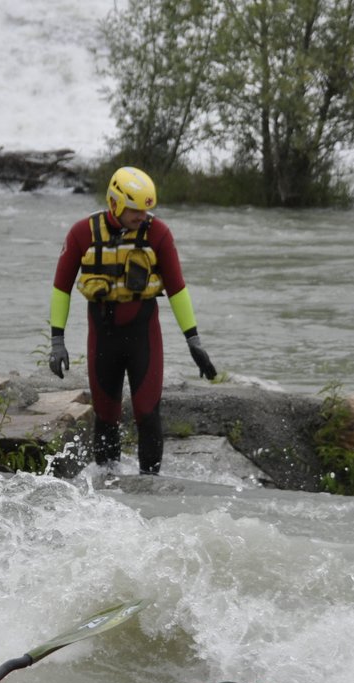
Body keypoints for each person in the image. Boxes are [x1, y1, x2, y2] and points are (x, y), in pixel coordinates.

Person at [47, 165, 219, 474]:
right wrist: (57, 341)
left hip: (143, 337)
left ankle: (149, 486)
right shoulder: (81, 233)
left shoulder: (158, 234)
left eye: (146, 210)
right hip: (103, 338)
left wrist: (194, 341)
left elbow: (178, 289)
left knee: (147, 411)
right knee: (106, 414)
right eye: (134, 210)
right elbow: (61, 288)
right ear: (114, 203)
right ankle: (108, 483)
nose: (142, 217)